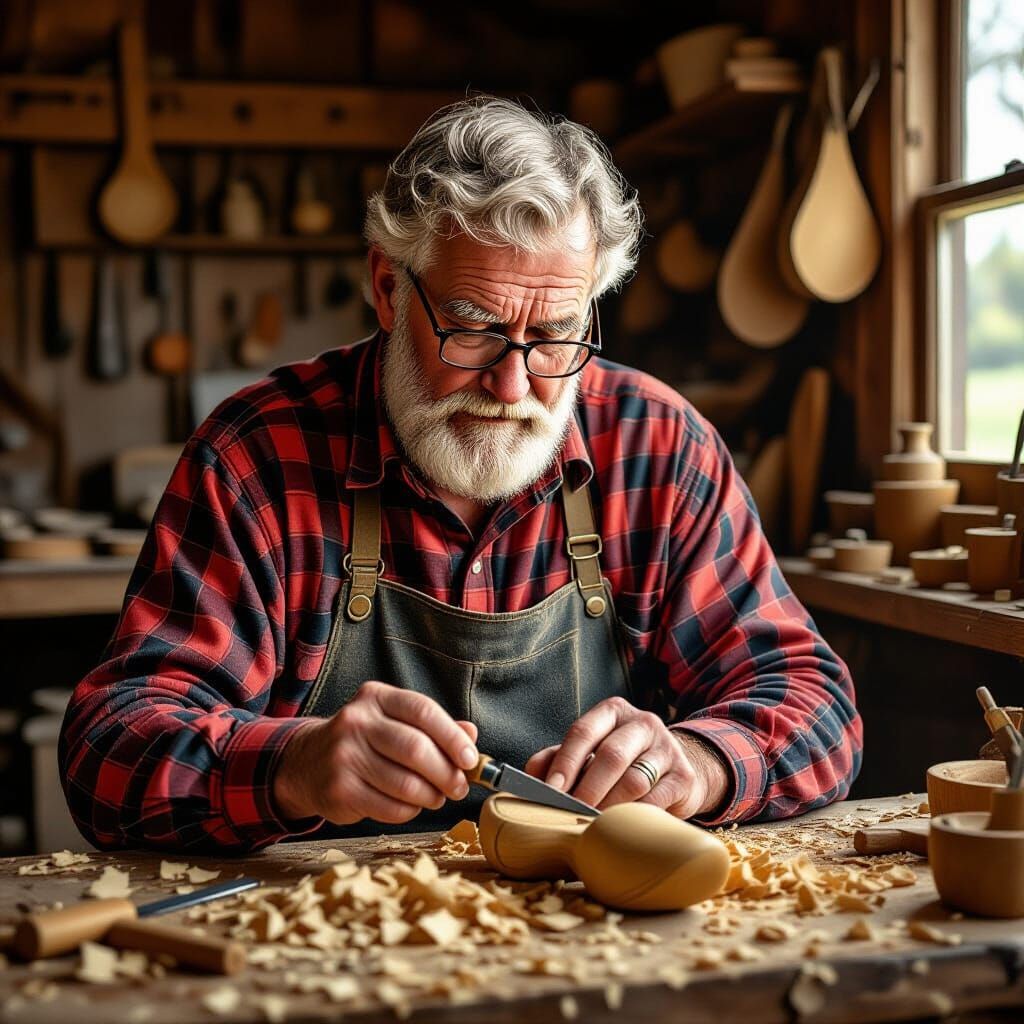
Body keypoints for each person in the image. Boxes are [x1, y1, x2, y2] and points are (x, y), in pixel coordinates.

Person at [60, 96, 861, 853]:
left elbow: (816, 706)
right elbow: (108, 750)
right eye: (473, 330)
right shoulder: (260, 457)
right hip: (328, 945)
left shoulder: (658, 448)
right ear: (388, 289)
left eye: (554, 336)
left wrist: (700, 763)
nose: (513, 387)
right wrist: (286, 767)